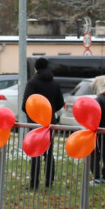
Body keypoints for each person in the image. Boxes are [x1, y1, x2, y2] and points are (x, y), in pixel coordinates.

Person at [22, 57, 64, 190]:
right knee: (49, 152)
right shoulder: (55, 83)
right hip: (49, 123)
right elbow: (60, 103)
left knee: (36, 153)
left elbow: (25, 104)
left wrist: (33, 115)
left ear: (36, 68)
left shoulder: (32, 83)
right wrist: (50, 112)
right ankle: (49, 182)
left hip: (35, 123)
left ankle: (34, 184)